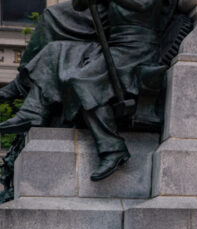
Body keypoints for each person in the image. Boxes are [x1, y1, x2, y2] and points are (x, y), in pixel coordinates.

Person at [0, 0, 169, 181]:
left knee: (82, 81)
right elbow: (80, 6)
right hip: (110, 45)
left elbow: (142, 5)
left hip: (135, 49)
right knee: (54, 51)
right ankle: (33, 110)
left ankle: (113, 147)